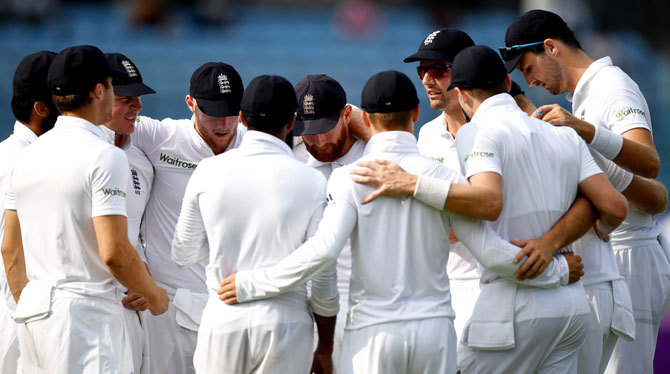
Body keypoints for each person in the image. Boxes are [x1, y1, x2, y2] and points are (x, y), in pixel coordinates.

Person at [218, 70, 582, 374]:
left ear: (364, 119)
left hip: (372, 334)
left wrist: (254, 285)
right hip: (435, 335)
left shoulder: (351, 177)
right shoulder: (446, 178)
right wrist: (559, 271)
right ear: (416, 113)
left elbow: (324, 252)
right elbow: (493, 255)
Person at [354, 46, 629, 373]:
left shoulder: (475, 131)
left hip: (511, 307)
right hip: (570, 309)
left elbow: (489, 202)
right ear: (507, 82)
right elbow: (613, 207)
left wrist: (413, 184)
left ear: (461, 95)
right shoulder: (562, 133)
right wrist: (552, 243)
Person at [402, 28, 597, 344]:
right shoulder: (426, 135)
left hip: (515, 286)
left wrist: (550, 245)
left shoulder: (512, 129)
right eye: (422, 70)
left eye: (438, 69)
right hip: (451, 286)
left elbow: (585, 200)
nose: (426, 80)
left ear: (464, 75)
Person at [501, 10, 670, 373]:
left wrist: (585, 132)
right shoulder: (584, 96)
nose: (530, 81)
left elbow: (649, 161)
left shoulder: (612, 84)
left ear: (550, 47)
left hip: (633, 253)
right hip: (611, 252)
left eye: (528, 68)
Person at [1, 45, 168, 373]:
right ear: (98, 90)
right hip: (86, 317)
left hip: (34, 313)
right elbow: (115, 252)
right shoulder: (105, 155)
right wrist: (156, 295)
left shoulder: (27, 155)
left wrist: (34, 308)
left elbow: (9, 248)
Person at [171, 74, 338, 374]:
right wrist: (325, 345)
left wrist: (225, 244)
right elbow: (323, 277)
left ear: (243, 118)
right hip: (286, 323)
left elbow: (183, 253)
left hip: (223, 319)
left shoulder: (208, 170)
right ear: (292, 121)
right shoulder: (312, 181)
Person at [131, 61, 246, 374]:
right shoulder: (163, 136)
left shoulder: (258, 144)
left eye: (231, 110)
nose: (223, 123)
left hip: (237, 309)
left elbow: (332, 120)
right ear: (190, 103)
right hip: (167, 309)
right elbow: (100, 123)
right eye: (212, 110)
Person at [290, 73, 366, 371]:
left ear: (347, 115)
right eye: (309, 131)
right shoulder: (292, 160)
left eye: (326, 128)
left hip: (366, 312)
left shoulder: (375, 159)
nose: (318, 141)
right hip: (303, 314)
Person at [0, 49, 57, 374]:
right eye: (64, 101)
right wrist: (30, 317)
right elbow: (11, 251)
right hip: (19, 322)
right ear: (41, 108)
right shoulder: (24, 162)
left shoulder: (11, 153)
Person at [102, 52, 157, 374]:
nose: (137, 106)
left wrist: (143, 275)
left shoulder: (140, 157)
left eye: (138, 98)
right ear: (100, 97)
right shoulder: (80, 155)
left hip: (134, 305)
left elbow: (138, 232)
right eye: (126, 99)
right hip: (94, 304)